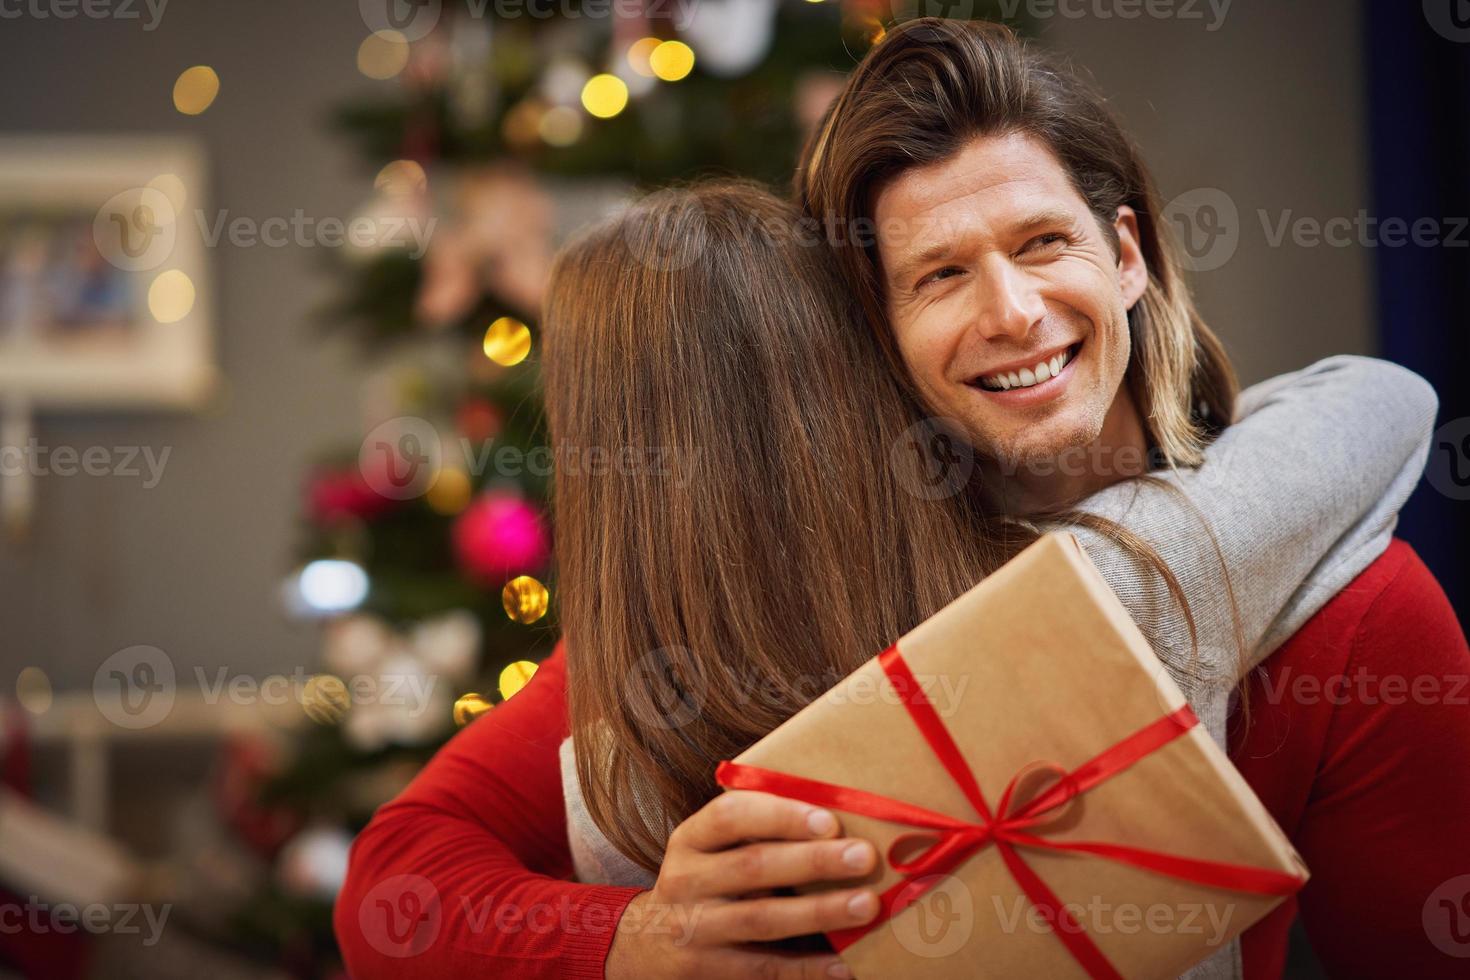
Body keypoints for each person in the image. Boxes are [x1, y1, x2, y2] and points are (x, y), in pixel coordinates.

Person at [334, 21, 1462, 980]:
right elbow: (398, 881)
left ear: (1128, 255)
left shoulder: (1356, 612)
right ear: (879, 327)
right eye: (940, 273)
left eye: (1043, 242)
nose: (1014, 310)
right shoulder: (801, 585)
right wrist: (634, 935)